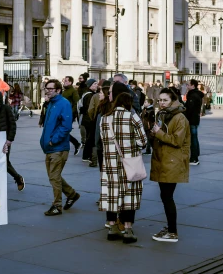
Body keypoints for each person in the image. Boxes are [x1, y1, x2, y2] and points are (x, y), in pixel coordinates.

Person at [101, 84, 147, 244]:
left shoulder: (105, 119)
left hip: (111, 164)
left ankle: (112, 227)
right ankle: (128, 229)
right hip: (130, 163)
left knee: (112, 195)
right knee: (130, 197)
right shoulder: (133, 117)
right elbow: (143, 142)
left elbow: (103, 141)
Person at [149, 87, 189, 243]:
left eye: (165, 100)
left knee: (167, 196)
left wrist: (158, 133)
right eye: (160, 100)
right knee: (165, 196)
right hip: (163, 159)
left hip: (172, 161)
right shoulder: (162, 115)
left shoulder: (180, 118)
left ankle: (172, 231)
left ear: (173, 101)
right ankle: (170, 227)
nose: (161, 103)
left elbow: (176, 141)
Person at [40, 79, 81, 216]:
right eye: (46, 88)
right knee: (54, 176)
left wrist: (53, 140)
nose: (47, 90)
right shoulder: (51, 103)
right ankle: (72, 194)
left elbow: (66, 126)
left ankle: (57, 205)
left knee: (54, 177)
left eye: (51, 89)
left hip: (58, 148)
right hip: (50, 147)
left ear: (58, 90)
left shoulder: (63, 103)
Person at [0, 90, 25, 191]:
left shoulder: (5, 108)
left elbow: (12, 124)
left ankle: (18, 178)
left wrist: (9, 139)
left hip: (4, 140)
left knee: (5, 162)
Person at [60, 76, 81, 155]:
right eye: (64, 80)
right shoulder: (64, 91)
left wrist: (71, 112)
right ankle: (74, 144)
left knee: (63, 131)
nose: (64, 82)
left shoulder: (73, 91)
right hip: (63, 114)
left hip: (69, 115)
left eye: (66, 81)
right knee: (61, 130)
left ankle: (76, 143)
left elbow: (77, 103)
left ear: (70, 82)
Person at [184, 79, 203, 165]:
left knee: (193, 138)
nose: (187, 86)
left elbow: (190, 109)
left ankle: (194, 158)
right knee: (194, 138)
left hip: (191, 119)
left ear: (193, 86)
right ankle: (196, 155)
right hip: (195, 118)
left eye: (188, 85)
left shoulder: (192, 95)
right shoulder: (196, 94)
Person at [80, 79, 98, 161]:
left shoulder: (86, 94)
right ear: (90, 85)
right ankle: (88, 155)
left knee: (89, 138)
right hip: (89, 120)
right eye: (94, 84)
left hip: (86, 119)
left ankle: (86, 155)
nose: (96, 85)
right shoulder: (90, 95)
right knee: (90, 138)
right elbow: (89, 108)